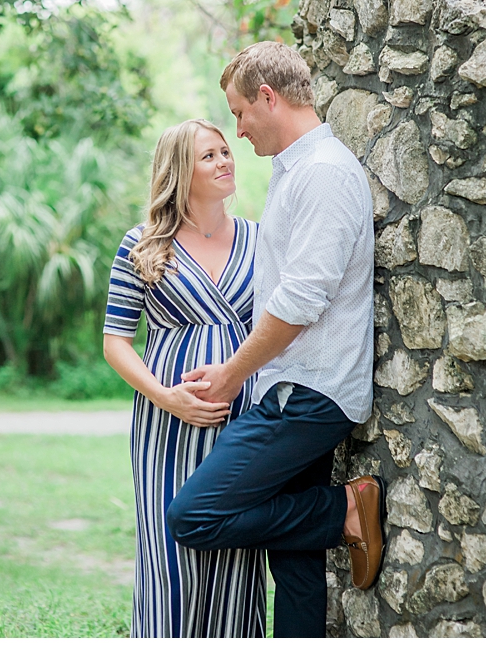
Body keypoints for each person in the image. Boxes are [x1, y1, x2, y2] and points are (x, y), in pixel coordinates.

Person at [163, 41, 385, 638]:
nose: (237, 130)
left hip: (307, 395)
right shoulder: (297, 172)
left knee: (195, 515)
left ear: (268, 97)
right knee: (295, 567)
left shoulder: (324, 173)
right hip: (291, 390)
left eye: (238, 112)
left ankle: (342, 509)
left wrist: (232, 373)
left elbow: (301, 302)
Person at [103, 119, 265, 637]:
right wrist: (166, 397)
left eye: (225, 151)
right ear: (179, 172)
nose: (225, 161)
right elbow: (115, 342)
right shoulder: (143, 245)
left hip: (244, 417)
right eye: (209, 156)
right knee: (170, 560)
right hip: (167, 424)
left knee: (238, 554)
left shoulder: (263, 240)